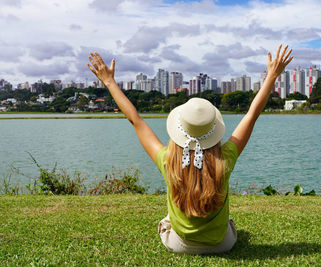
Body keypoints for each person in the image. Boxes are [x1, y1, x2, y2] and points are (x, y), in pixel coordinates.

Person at [87, 44, 292, 254]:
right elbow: (251, 115)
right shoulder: (226, 158)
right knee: (229, 222)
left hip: (180, 245)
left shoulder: (168, 160)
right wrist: (271, 76)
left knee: (167, 219)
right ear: (214, 130)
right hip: (222, 245)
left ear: (178, 130)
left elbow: (135, 120)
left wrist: (109, 81)